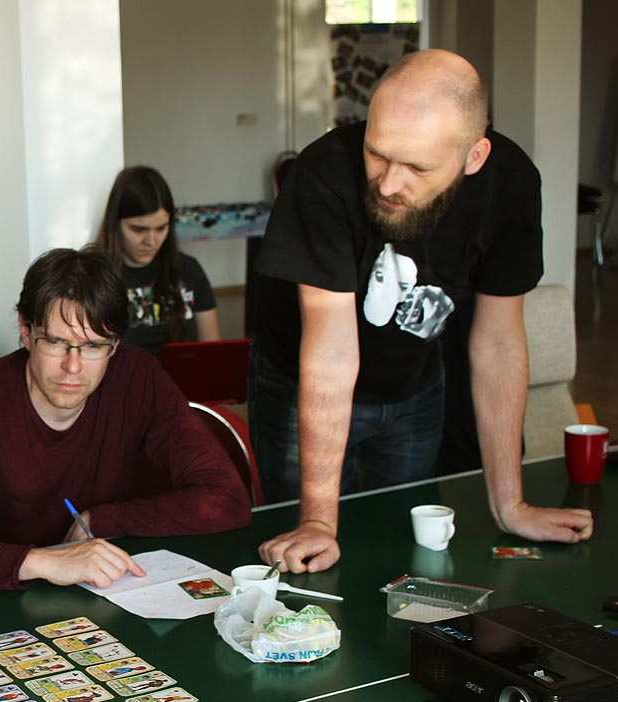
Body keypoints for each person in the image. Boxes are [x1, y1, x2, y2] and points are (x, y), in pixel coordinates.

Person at [249, 49, 593, 574]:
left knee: (402, 555)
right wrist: (317, 521)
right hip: (301, 381)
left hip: (415, 385)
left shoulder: (511, 183)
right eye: (377, 154)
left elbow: (499, 342)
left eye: (417, 167)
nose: (389, 183)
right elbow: (331, 353)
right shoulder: (323, 173)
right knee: (307, 561)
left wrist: (512, 505)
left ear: (474, 156)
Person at [0, 247, 250, 590]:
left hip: (101, 595)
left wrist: (104, 520)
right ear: (26, 332)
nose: (73, 367)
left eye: (93, 346)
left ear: (115, 346)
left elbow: (227, 499)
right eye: (55, 342)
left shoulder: (138, 379)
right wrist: (40, 561)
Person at [95, 166, 219, 355]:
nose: (151, 241)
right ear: (115, 223)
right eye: (139, 229)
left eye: (161, 228)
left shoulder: (189, 270)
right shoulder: (93, 277)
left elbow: (213, 352)